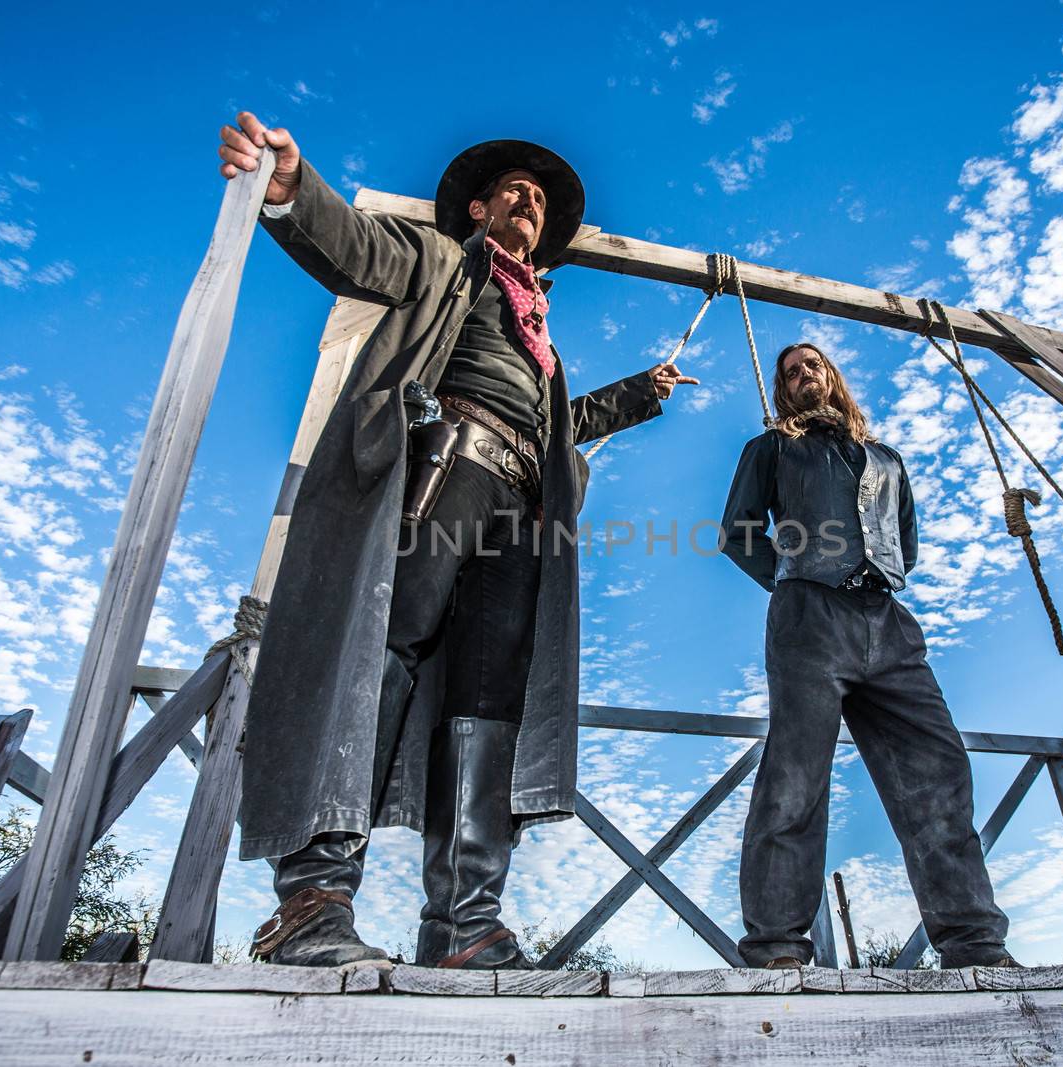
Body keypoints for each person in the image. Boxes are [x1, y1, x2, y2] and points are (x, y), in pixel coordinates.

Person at [217, 114, 698, 970]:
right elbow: (361, 248)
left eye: (541, 199)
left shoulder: (541, 337)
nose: (529, 203)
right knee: (382, 654)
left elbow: (563, 425)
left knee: (489, 704)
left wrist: (640, 393)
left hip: (521, 503)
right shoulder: (448, 264)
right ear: (479, 208)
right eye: (515, 190)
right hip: (445, 465)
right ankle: (314, 898)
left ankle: (463, 926)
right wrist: (295, 194)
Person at [719, 342, 1015, 970]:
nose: (804, 375)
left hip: (887, 622)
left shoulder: (887, 459)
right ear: (782, 391)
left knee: (939, 768)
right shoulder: (771, 447)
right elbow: (739, 532)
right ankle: (775, 948)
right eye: (791, 373)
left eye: (813, 366)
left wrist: (870, 576)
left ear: (833, 376)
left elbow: (903, 542)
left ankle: (975, 945)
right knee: (796, 777)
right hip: (808, 621)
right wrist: (794, 576)